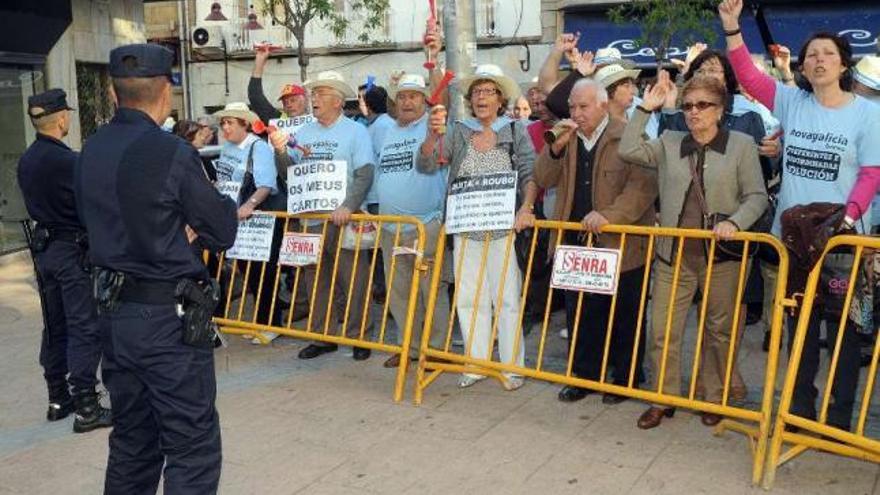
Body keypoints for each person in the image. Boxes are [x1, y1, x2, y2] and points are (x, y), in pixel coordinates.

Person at [75, 43, 237, 493]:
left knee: (133, 442)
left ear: (113, 93)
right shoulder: (172, 153)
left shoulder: (90, 150)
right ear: (167, 91)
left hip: (115, 316)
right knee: (191, 448)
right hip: (167, 321)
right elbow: (222, 229)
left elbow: (87, 224)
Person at [719, 0, 880, 431]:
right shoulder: (792, 102)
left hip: (843, 243)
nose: (818, 60)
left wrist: (846, 218)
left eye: (828, 54)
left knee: (845, 336)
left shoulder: (869, 114)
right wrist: (732, 29)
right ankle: (798, 414)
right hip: (793, 242)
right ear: (803, 67)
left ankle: (840, 421)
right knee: (800, 330)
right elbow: (750, 78)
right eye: (811, 55)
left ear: (844, 64)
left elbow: (871, 173)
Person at [619, 73, 768, 429]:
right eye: (687, 105)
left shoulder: (742, 145)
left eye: (703, 105)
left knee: (718, 331)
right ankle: (662, 397)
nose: (694, 112)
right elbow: (628, 149)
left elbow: (757, 197)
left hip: (721, 257)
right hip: (673, 254)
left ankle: (713, 397)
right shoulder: (670, 141)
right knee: (662, 330)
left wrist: (735, 222)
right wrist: (644, 108)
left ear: (720, 109)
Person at [535, 78, 658, 404]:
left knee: (625, 312)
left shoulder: (627, 135)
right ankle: (585, 375)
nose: (576, 112)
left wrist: (611, 216)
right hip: (576, 241)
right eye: (573, 106)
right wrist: (553, 150)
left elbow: (643, 188)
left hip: (621, 243)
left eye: (583, 106)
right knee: (581, 311)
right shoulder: (567, 137)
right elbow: (542, 178)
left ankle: (626, 377)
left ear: (603, 105)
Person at [417, 64, 538, 391]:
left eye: (489, 91)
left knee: (508, 299)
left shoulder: (515, 130)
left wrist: (526, 207)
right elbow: (426, 163)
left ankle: (513, 367)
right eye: (477, 92)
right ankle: (476, 362)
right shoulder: (457, 131)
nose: (481, 97)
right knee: (469, 298)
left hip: (502, 230)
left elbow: (530, 174)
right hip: (466, 230)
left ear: (501, 99)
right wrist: (431, 134)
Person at [16, 89, 113, 433]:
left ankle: (58, 399)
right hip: (71, 251)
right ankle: (87, 405)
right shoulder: (69, 161)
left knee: (55, 325)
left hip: (45, 253)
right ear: (60, 119)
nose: (69, 119)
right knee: (84, 326)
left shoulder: (27, 159)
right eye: (67, 114)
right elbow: (92, 206)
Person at [271, 70, 376, 361]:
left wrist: (349, 206)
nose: (314, 98)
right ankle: (322, 336)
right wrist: (280, 151)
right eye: (313, 94)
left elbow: (365, 173)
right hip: (312, 219)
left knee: (353, 279)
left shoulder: (356, 131)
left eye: (321, 94)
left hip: (345, 219)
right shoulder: (303, 133)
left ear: (338, 101)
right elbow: (288, 174)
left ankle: (360, 336)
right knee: (315, 280)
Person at [371, 73, 451, 368]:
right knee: (400, 293)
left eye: (414, 96)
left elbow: (446, 95)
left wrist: (434, 57)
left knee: (432, 290)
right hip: (391, 226)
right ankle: (410, 347)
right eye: (402, 96)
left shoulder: (435, 126)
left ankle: (436, 350)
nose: (407, 101)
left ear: (425, 100)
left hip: (426, 225)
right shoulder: (386, 131)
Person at [213, 102, 286, 343]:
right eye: (223, 122)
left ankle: (271, 323)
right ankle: (261, 320)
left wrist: (250, 204)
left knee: (263, 272)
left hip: (257, 219)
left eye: (229, 122)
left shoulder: (259, 148)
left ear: (244, 124)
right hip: (236, 218)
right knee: (249, 271)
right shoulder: (227, 149)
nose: (225, 127)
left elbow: (266, 184)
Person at [248, 47, 309, 123]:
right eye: (285, 103)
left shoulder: (316, 121)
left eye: (293, 100)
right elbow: (256, 98)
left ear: (305, 101)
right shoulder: (277, 120)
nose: (289, 105)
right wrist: (259, 61)